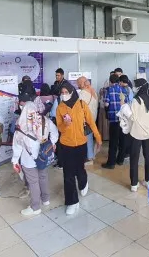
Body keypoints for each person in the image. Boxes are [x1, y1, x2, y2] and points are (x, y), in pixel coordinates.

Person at [56, 83, 102, 215]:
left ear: (71, 91)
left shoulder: (81, 104)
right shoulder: (60, 108)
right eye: (62, 92)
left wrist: (98, 138)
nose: (63, 94)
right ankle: (72, 202)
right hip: (66, 144)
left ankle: (83, 182)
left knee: (79, 169)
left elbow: (91, 123)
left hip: (81, 143)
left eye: (66, 92)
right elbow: (60, 128)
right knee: (68, 174)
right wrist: (65, 125)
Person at [12, 101, 59, 216]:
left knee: (33, 182)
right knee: (43, 177)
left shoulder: (20, 125)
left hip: (28, 159)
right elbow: (55, 132)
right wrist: (52, 143)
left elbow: (17, 146)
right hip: (43, 156)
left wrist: (14, 160)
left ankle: (35, 207)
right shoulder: (45, 121)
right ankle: (45, 199)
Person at [127, 78, 149, 192]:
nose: (134, 88)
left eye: (135, 86)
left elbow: (132, 118)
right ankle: (148, 180)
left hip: (136, 133)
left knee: (134, 157)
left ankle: (134, 184)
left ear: (140, 87)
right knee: (148, 156)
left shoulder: (136, 101)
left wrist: (124, 110)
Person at [102, 74, 128, 169]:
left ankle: (111, 163)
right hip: (123, 119)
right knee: (122, 140)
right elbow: (127, 104)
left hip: (113, 119)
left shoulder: (108, 90)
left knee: (113, 142)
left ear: (110, 81)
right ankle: (120, 160)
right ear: (118, 81)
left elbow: (106, 104)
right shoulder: (124, 90)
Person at [77, 76, 99, 165]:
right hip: (93, 118)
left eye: (78, 83)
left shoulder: (82, 93)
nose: (77, 85)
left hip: (86, 119)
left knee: (87, 138)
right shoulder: (93, 91)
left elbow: (80, 108)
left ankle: (89, 157)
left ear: (81, 84)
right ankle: (90, 155)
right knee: (89, 137)